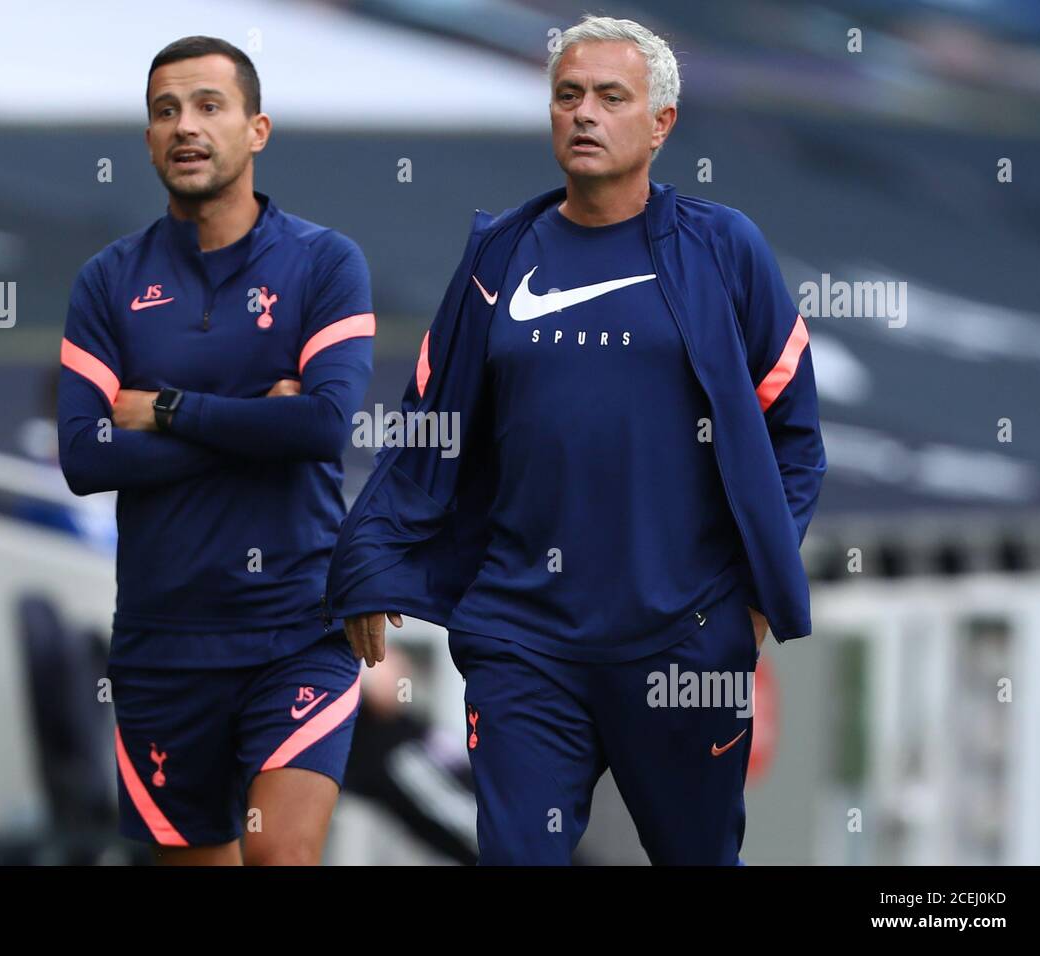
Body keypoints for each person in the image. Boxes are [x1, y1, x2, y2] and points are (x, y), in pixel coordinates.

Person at [328, 15, 825, 864]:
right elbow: (428, 427)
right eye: (567, 96)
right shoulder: (498, 254)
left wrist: (741, 612)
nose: (584, 113)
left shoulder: (723, 249)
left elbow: (795, 438)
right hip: (522, 640)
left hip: (681, 642)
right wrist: (367, 564)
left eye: (609, 97)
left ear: (662, 123)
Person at [57, 36, 374, 865]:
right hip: (164, 645)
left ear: (256, 129)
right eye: (166, 112)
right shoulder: (107, 280)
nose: (185, 127)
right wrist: (250, 428)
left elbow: (320, 426)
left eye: (208, 106)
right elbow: (85, 458)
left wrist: (166, 410)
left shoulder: (325, 263)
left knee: (281, 857)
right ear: (149, 137)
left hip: (298, 628)